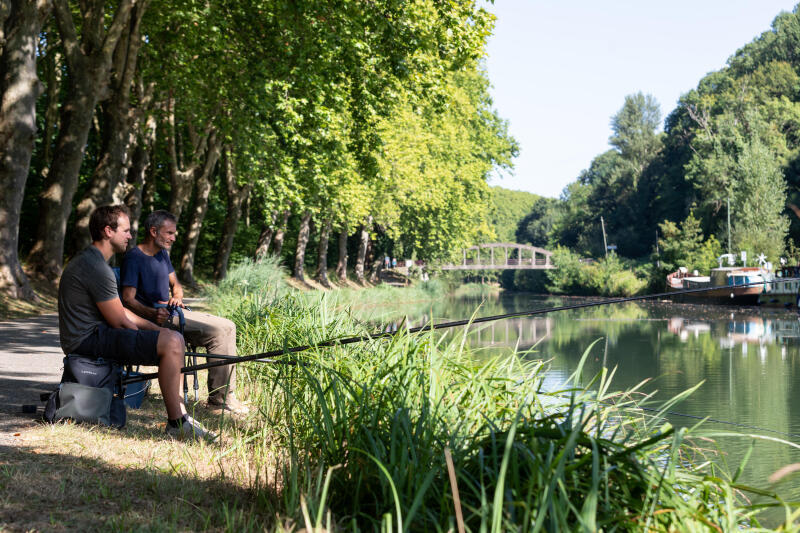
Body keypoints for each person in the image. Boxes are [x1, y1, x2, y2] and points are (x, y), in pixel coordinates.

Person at [58, 205, 214, 440]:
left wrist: (157, 331)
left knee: (172, 338)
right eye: (126, 231)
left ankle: (181, 415)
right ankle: (177, 423)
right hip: (85, 341)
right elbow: (120, 321)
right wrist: (157, 336)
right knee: (171, 342)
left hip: (93, 335)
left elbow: (119, 311)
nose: (130, 236)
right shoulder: (95, 266)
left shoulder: (96, 262)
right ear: (108, 231)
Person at [120, 210, 247, 415]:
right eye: (169, 233)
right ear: (153, 231)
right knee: (219, 331)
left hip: (175, 313)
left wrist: (177, 296)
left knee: (229, 325)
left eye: (174, 234)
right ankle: (219, 401)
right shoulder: (134, 258)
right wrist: (152, 313)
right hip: (156, 320)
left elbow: (176, 286)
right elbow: (127, 299)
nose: (173, 238)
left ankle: (225, 396)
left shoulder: (162, 255)